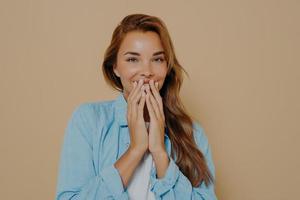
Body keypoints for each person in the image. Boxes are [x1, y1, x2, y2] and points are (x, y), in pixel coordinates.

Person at [55, 13, 217, 200]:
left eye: (157, 59)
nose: (147, 72)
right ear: (115, 66)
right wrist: (135, 149)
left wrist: (159, 152)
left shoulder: (193, 133)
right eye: (133, 59)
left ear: (167, 67)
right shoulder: (88, 120)